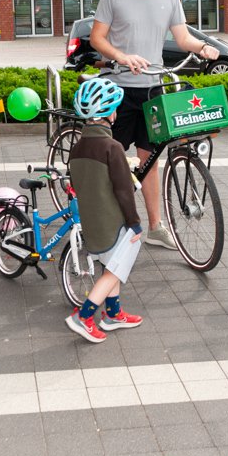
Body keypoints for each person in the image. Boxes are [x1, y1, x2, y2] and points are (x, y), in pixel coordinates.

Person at [90, 0, 219, 249]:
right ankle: (104, 226)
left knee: (150, 159)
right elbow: (97, 38)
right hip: (117, 88)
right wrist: (122, 57)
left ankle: (155, 227)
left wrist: (203, 47)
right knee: (110, 161)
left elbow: (182, 38)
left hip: (153, 89)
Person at [65, 78, 145, 343]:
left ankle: (113, 314)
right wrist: (134, 222)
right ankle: (84, 316)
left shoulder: (77, 148)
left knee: (111, 265)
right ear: (111, 114)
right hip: (114, 221)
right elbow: (124, 190)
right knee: (115, 270)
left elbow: (77, 184)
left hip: (92, 221)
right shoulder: (113, 147)